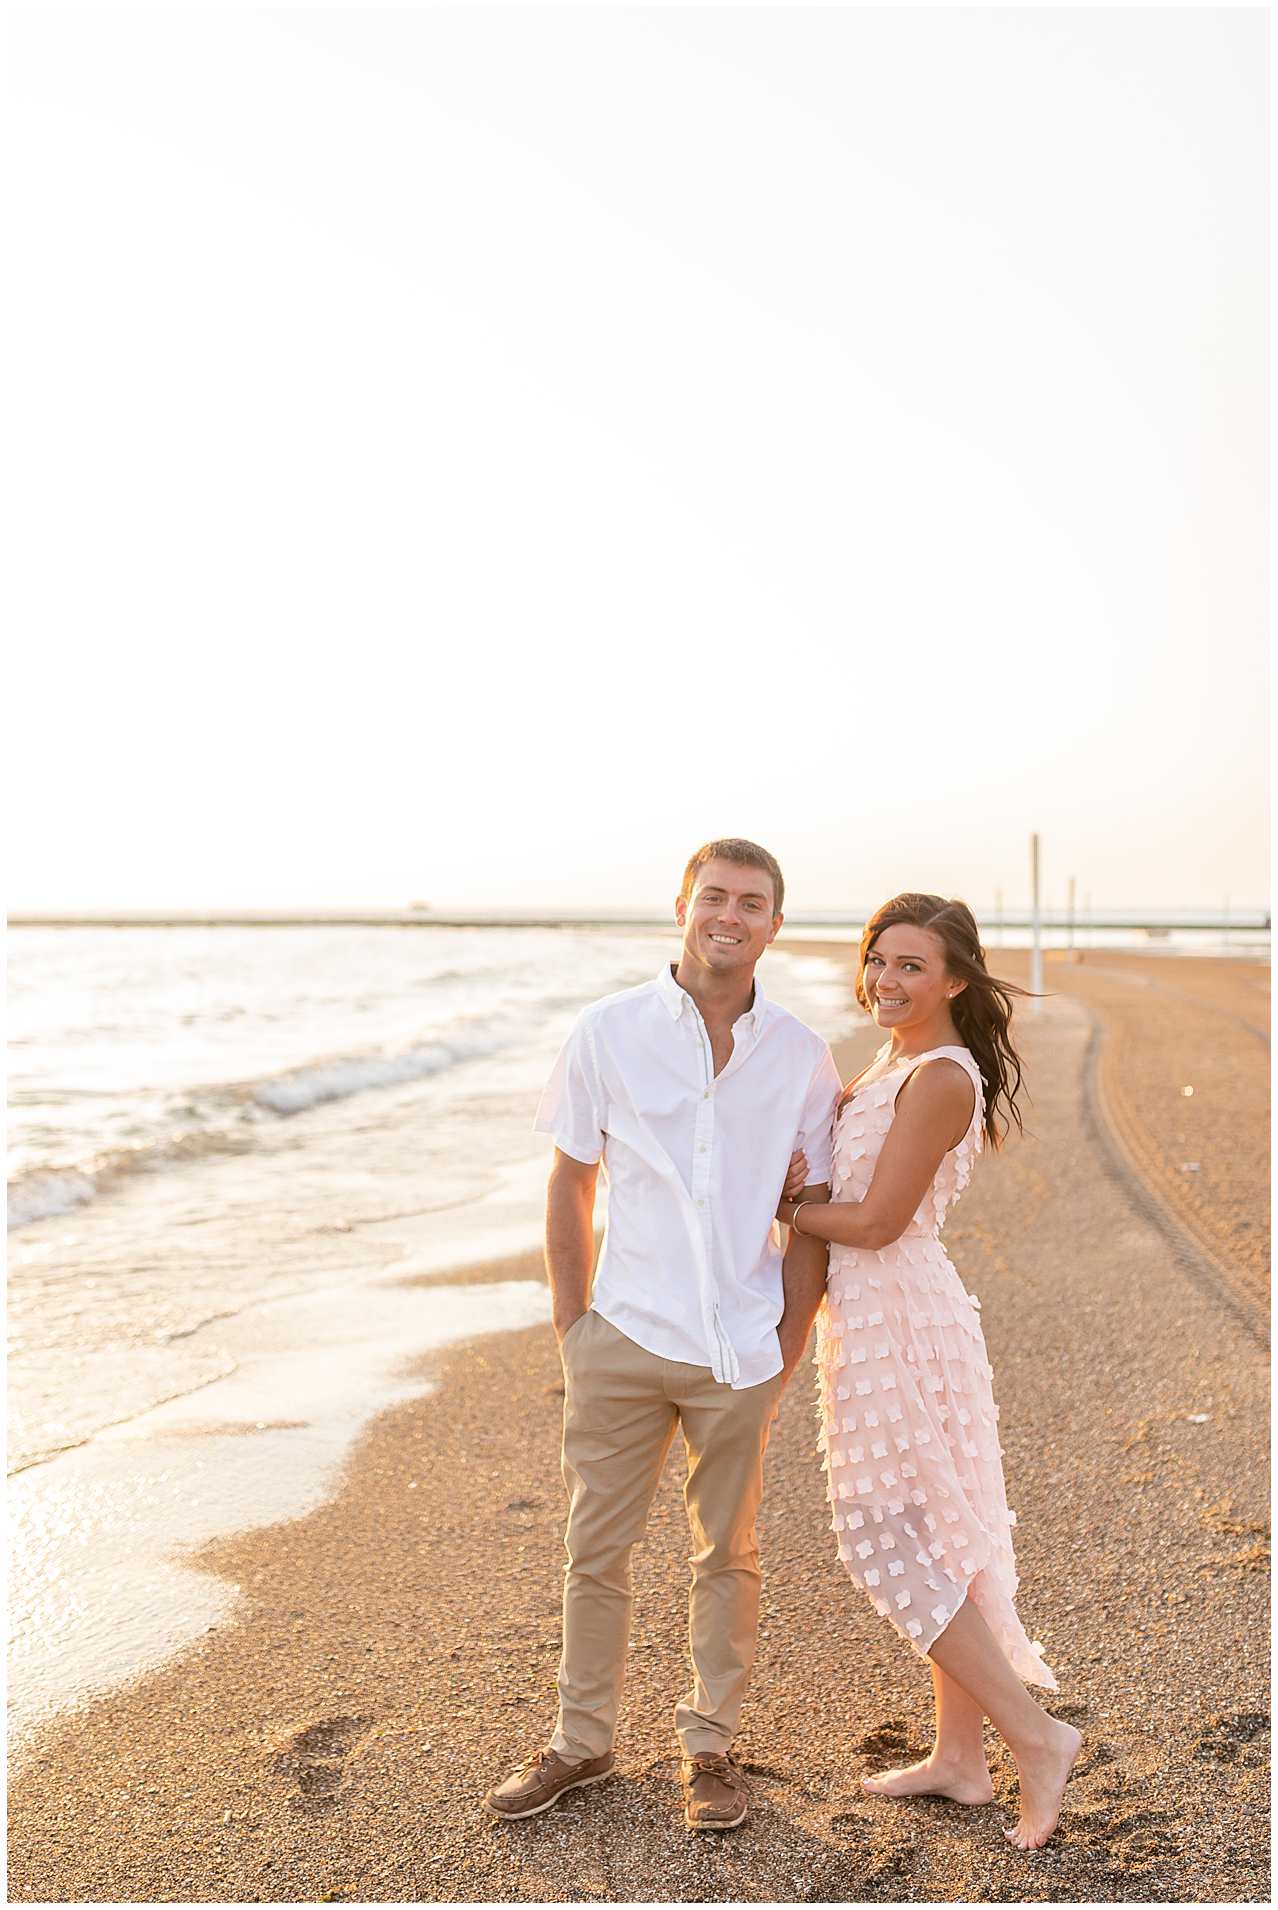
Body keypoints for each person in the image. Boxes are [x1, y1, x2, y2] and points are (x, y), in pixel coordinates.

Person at [486, 838, 842, 1832]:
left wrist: (793, 1331)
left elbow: (811, 1204)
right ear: (683, 905)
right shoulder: (608, 1031)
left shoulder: (804, 1055)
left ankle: (710, 1745)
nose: (731, 914)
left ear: (776, 924)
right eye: (715, 896)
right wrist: (573, 1325)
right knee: (593, 1548)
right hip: (623, 1332)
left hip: (740, 1340)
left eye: (753, 902)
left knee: (727, 1552)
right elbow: (570, 1179)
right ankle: (580, 1738)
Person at [777, 893, 1081, 1851]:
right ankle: (961, 1759)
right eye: (879, 960)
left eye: (913, 966)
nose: (889, 980)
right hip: (870, 1320)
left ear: (956, 979)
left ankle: (1036, 1738)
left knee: (886, 1542)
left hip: (903, 1319)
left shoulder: (942, 1076)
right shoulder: (893, 1059)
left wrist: (782, 1207)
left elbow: (877, 1224)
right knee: (939, 1541)